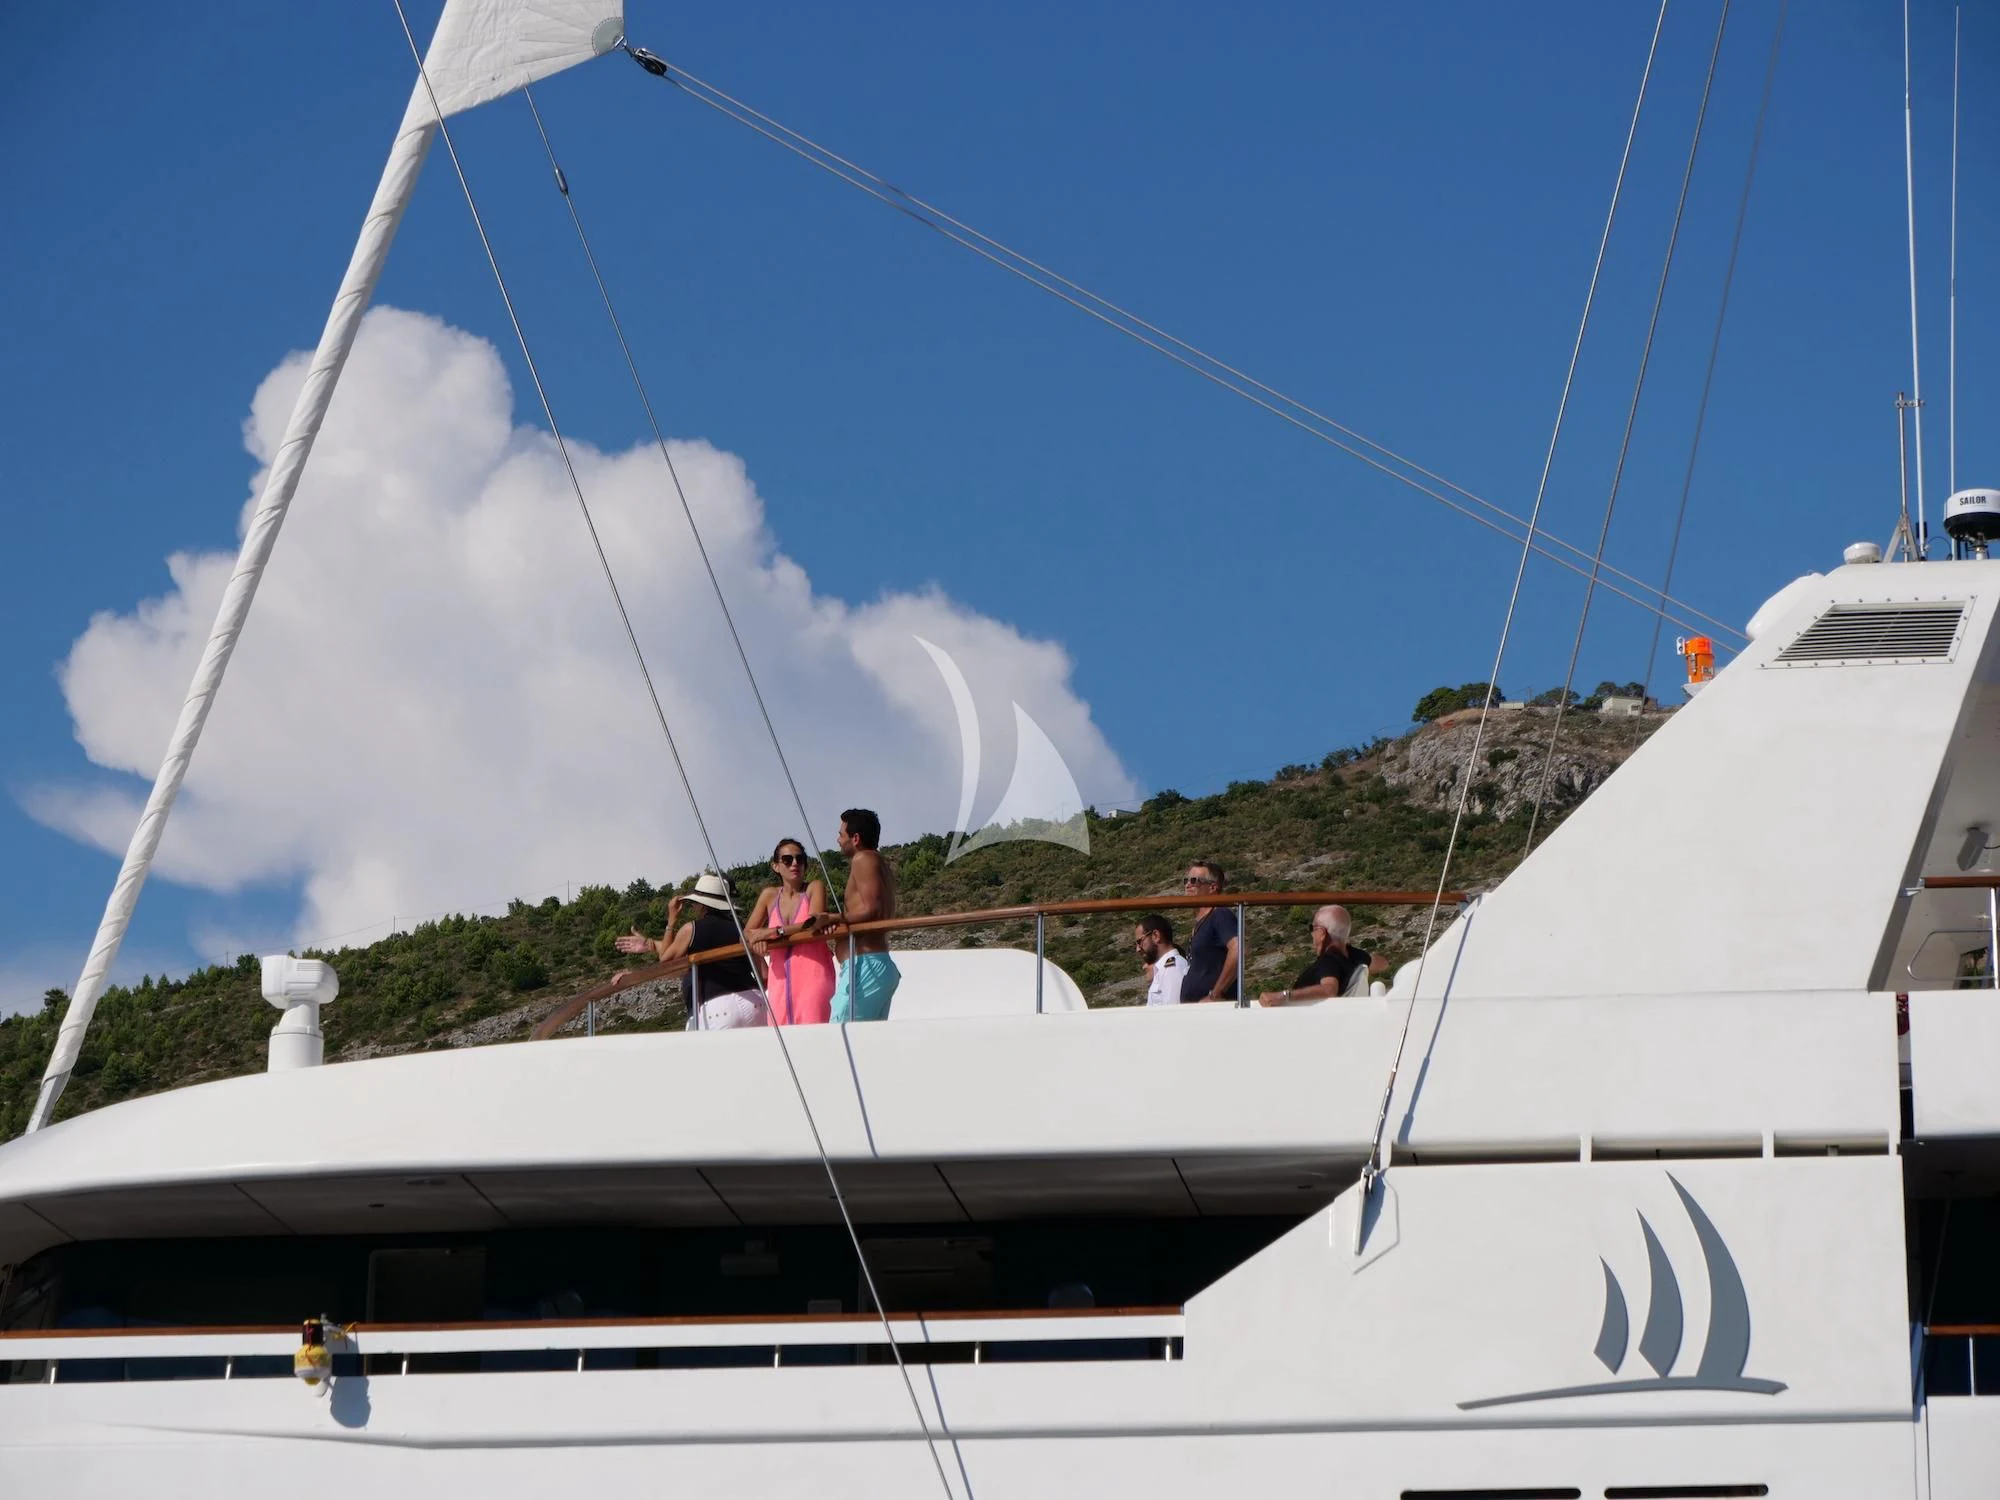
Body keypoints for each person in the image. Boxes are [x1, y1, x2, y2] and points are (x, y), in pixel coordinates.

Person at [616, 872, 767, 1030]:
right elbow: (763, 974)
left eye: (694, 902)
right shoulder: (743, 928)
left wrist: (671, 921)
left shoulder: (691, 929)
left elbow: (666, 962)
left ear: (702, 905)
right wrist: (651, 944)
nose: (693, 906)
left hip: (718, 1007)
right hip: (755, 1002)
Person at [746, 838, 835, 1026]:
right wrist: (757, 943)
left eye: (800, 859)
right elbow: (747, 934)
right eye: (787, 860)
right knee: (781, 1037)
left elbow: (815, 922)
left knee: (813, 1035)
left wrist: (773, 932)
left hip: (813, 977)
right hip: (779, 982)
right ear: (776, 866)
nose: (795, 863)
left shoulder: (814, 888)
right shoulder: (769, 896)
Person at [829, 808, 900, 1022]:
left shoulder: (863, 859)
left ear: (855, 838)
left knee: (839, 1036)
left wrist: (834, 919)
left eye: (841, 834)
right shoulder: (879, 863)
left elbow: (872, 910)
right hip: (875, 966)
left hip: (865, 967)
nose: (838, 840)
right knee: (866, 1040)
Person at [1258, 904, 1374, 1006]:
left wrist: (1284, 996)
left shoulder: (1329, 961)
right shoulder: (1357, 957)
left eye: (1312, 928)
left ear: (1322, 933)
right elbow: (1380, 963)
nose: (1312, 934)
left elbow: (1329, 989)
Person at [1178, 860, 1240, 1003]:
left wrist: (1215, 994)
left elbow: (1238, 949)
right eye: (1186, 881)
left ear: (1212, 887)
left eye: (1194, 881)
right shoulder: (1201, 922)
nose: (1188, 885)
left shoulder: (1220, 915)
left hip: (1213, 1008)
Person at [1133, 913, 1187, 1005]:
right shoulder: (1163, 969)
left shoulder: (1172, 968)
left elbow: (1172, 1011)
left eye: (1140, 942)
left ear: (1156, 936)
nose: (1137, 949)